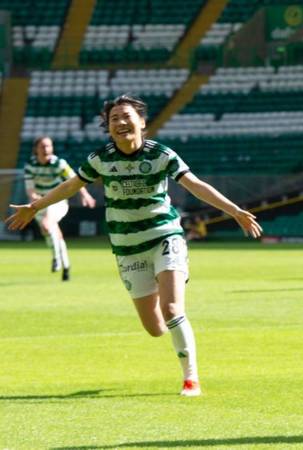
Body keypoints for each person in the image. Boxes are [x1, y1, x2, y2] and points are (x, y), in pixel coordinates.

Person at [6, 94, 262, 396]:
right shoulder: (101, 158)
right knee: (155, 328)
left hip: (165, 236)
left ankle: (190, 378)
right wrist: (35, 207)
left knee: (171, 308)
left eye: (126, 116)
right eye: (114, 119)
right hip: (128, 247)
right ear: (108, 128)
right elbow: (71, 185)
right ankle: (179, 330)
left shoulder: (162, 155)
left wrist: (234, 211)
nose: (120, 122)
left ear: (142, 122)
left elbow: (194, 184)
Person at [23, 136, 96, 281]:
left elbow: (75, 180)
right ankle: (66, 267)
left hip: (58, 201)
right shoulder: (30, 165)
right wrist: (35, 200)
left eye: (49, 146)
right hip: (40, 203)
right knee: (50, 233)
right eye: (43, 146)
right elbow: (30, 190)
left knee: (47, 223)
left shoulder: (59, 163)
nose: (46, 149)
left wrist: (85, 195)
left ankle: (56, 259)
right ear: (36, 149)